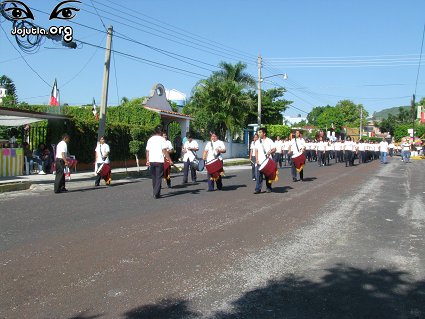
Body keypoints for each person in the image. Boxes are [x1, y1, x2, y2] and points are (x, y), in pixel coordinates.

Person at [146, 125, 174, 199]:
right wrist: (170, 160)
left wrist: (147, 160)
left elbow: (147, 151)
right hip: (159, 160)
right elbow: (164, 150)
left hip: (152, 160)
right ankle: (156, 193)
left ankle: (155, 191)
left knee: (154, 177)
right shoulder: (162, 139)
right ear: (161, 131)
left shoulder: (150, 139)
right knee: (158, 177)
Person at [254, 127, 276, 194]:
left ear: (264, 133)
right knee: (259, 176)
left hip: (267, 161)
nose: (259, 134)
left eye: (260, 132)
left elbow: (274, 149)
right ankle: (258, 189)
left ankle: (268, 188)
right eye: (259, 132)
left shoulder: (269, 141)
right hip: (260, 161)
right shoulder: (257, 142)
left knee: (268, 175)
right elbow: (256, 151)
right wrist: (256, 159)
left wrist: (270, 152)